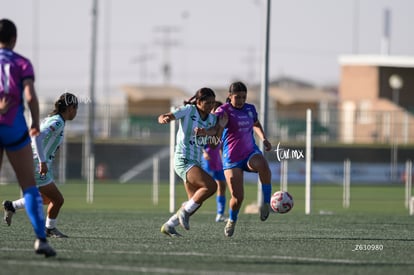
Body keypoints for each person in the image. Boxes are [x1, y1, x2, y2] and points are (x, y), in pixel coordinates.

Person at [0, 18, 56, 257]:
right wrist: (34, 123)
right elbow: (30, 96)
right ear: (14, 39)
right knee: (29, 186)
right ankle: (40, 240)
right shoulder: (22, 63)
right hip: (13, 126)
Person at [3, 92, 78, 238]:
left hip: (37, 162)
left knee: (45, 198)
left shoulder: (56, 120)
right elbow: (36, 135)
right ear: (70, 108)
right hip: (38, 164)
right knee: (58, 199)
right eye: (76, 108)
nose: (76, 112)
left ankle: (12, 206)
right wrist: (42, 161)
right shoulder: (57, 122)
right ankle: (49, 229)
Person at [158, 87, 226, 237]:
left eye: (213, 103)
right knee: (211, 186)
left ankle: (169, 225)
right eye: (207, 103)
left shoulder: (212, 119)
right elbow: (166, 115)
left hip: (195, 161)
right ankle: (182, 212)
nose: (210, 106)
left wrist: (220, 127)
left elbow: (214, 144)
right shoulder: (189, 110)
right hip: (183, 159)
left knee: (194, 202)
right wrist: (164, 118)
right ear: (199, 102)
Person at [215, 81, 273, 237]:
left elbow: (255, 123)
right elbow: (214, 127)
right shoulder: (223, 111)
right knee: (238, 197)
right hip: (232, 158)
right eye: (237, 97)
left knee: (263, 164)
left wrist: (264, 139)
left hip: (249, 153)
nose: (240, 100)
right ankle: (232, 219)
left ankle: (266, 203)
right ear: (230, 96)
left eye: (243, 97)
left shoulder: (250, 109)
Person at [201, 101, 228, 222]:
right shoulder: (208, 125)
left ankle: (220, 214)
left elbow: (219, 145)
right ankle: (189, 205)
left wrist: (224, 157)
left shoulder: (221, 127)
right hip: (207, 160)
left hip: (217, 161)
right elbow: (206, 143)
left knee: (222, 186)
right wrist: (203, 152)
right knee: (205, 187)